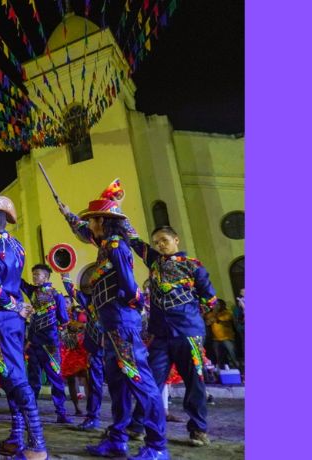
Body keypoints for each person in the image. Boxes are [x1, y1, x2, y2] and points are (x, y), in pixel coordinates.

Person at [59, 179, 169, 460]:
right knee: (117, 382)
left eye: (92, 219)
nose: (89, 225)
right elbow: (82, 232)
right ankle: (117, 439)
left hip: (121, 322)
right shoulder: (105, 244)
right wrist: (67, 212)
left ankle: (157, 446)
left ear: (102, 221)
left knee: (139, 379)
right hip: (110, 325)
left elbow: (129, 284)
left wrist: (132, 304)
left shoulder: (117, 244)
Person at [0, 195, 47, 460]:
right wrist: (18, 307)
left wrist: (14, 306)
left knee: (14, 376)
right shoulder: (17, 246)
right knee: (8, 374)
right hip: (13, 320)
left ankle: (36, 444)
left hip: (1, 319)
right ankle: (17, 437)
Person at [130, 225, 218, 447]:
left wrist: (191, 316)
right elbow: (134, 240)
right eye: (156, 242)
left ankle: (198, 429)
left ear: (176, 239)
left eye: (164, 240)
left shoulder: (193, 266)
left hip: (189, 334)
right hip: (160, 335)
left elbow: (210, 299)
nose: (160, 245)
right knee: (150, 381)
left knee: (194, 383)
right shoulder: (154, 261)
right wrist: (117, 208)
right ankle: (138, 425)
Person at [21, 263, 72, 423]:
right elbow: (20, 282)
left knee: (56, 378)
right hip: (34, 343)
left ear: (46, 277)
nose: (35, 277)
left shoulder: (56, 295)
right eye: (34, 274)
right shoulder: (33, 292)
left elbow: (64, 318)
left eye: (38, 274)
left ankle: (61, 412)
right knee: (33, 378)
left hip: (50, 343)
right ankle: (30, 409)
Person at [62, 272, 105, 430]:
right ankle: (92, 416)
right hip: (93, 348)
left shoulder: (116, 300)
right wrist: (65, 273)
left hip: (116, 347)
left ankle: (132, 422)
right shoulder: (89, 302)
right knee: (94, 383)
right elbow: (72, 291)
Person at [205, 300, 240, 370]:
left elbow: (221, 320)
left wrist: (214, 316)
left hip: (227, 338)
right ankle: (222, 373)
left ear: (222, 305)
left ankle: (239, 371)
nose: (216, 306)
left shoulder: (227, 313)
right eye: (215, 305)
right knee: (219, 358)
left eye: (218, 304)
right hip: (216, 340)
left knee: (233, 356)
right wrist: (214, 313)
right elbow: (208, 323)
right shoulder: (210, 314)